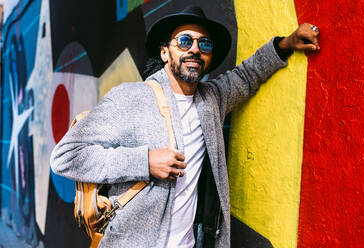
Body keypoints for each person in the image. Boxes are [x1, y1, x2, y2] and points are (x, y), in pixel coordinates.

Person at [50, 6, 319, 248]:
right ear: (165, 52)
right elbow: (65, 156)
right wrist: (143, 161)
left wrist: (286, 44)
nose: (195, 49)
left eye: (204, 43)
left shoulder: (212, 100)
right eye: (185, 41)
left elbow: (247, 75)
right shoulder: (130, 98)